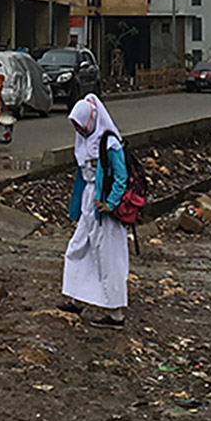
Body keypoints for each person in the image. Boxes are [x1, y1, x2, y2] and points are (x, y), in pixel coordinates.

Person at [60, 93, 129, 329]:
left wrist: (109, 203)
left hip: (103, 210)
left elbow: (121, 176)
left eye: (80, 124)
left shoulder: (109, 143)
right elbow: (83, 177)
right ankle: (76, 298)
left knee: (107, 258)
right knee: (78, 248)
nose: (78, 130)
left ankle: (116, 313)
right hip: (90, 205)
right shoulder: (85, 141)